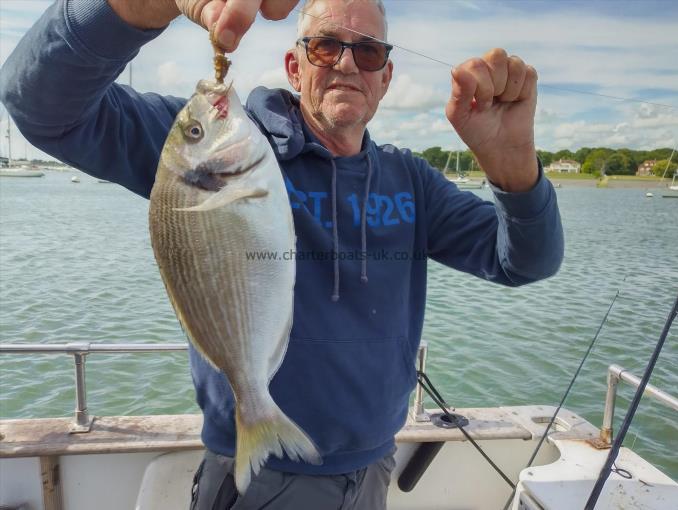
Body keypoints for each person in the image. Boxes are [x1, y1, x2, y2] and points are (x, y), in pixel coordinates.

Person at [0, 0, 564, 508]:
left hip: (373, 469)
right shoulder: (209, 152)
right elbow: (42, 107)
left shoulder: (410, 181)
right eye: (326, 46)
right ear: (295, 67)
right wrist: (134, 6)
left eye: (367, 51)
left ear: (386, 77)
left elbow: (526, 261)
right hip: (258, 472)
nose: (346, 64)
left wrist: (512, 165)